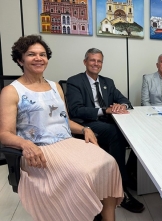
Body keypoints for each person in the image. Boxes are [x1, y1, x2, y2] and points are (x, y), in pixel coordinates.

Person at [0, 35, 123, 221]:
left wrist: (84, 130)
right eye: (31, 54)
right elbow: (4, 134)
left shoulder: (55, 87)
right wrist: (25, 145)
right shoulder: (11, 91)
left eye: (42, 54)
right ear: (20, 59)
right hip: (38, 149)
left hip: (66, 142)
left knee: (109, 163)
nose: (38, 58)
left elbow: (64, 121)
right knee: (83, 173)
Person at [66, 48, 145, 213]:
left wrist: (119, 105)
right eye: (92, 60)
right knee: (115, 134)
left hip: (108, 121)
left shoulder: (107, 82)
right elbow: (75, 110)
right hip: (87, 124)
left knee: (134, 131)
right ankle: (121, 187)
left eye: (99, 61)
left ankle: (128, 173)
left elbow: (124, 100)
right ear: (85, 62)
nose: (96, 64)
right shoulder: (74, 81)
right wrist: (104, 110)